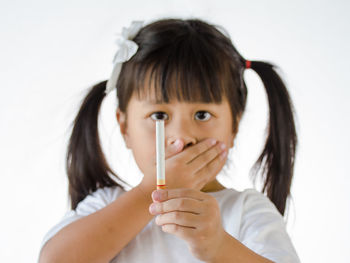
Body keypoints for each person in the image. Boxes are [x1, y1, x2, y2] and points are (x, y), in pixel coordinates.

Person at [38, 18, 300, 262]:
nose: (182, 137)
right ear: (124, 126)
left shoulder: (246, 212)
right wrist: (147, 193)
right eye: (159, 115)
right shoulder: (107, 206)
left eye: (202, 114)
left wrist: (219, 246)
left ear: (234, 126)